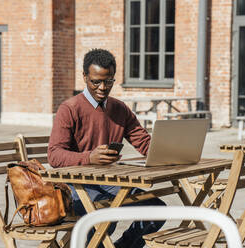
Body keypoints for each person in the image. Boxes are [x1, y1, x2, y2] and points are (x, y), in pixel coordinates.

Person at [48, 48, 165, 248]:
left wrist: (170, 151)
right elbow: (54, 155)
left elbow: (144, 143)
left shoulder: (119, 109)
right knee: (104, 218)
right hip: (77, 184)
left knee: (156, 209)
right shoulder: (70, 109)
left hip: (110, 181)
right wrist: (89, 157)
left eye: (109, 81)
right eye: (96, 82)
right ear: (84, 77)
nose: (102, 87)